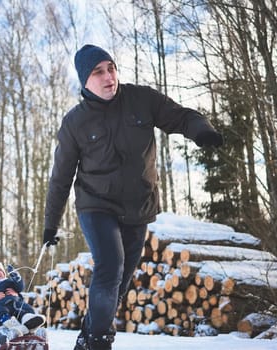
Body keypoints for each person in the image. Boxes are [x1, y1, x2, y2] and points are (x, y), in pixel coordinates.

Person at [41, 44, 223, 350]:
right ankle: (99, 342)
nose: (108, 76)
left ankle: (86, 339)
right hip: (96, 205)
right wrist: (50, 224)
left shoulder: (141, 98)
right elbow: (60, 178)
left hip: (138, 206)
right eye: (98, 72)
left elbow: (180, 117)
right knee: (110, 265)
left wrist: (201, 130)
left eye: (111, 67)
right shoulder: (75, 122)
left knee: (120, 282)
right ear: (85, 80)